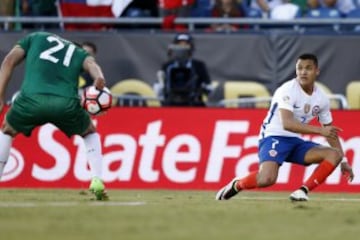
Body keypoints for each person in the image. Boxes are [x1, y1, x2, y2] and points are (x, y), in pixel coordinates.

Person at [216, 53, 354, 201]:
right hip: (273, 136)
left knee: (334, 154)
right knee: (266, 179)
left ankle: (302, 191)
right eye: (299, 68)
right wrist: (320, 130)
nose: (303, 72)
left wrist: (344, 161)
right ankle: (238, 184)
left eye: (308, 68)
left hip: (295, 142)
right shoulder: (287, 90)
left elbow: (330, 132)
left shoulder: (322, 99)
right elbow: (287, 124)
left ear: (317, 71)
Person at [0, 31, 108, 201]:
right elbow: (92, 65)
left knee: (7, 129)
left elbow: (8, 61)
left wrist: (0, 95)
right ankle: (97, 179)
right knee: (90, 132)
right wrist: (99, 78)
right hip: (65, 104)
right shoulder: (78, 52)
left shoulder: (35, 37)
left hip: (31, 100)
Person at [154, 33, 213, 107]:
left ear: (191, 47)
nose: (182, 48)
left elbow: (208, 86)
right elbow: (159, 87)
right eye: (179, 45)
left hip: (193, 103)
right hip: (172, 102)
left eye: (185, 45)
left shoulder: (198, 65)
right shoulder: (168, 66)